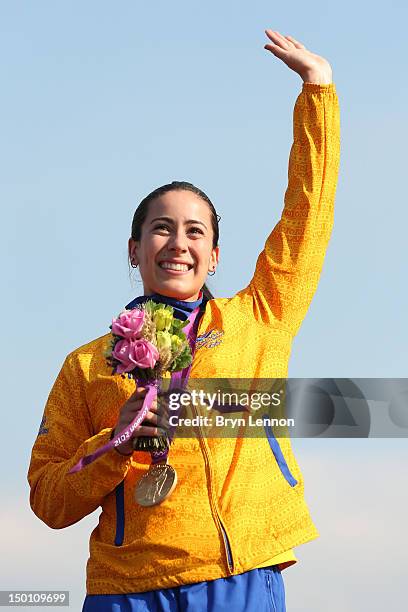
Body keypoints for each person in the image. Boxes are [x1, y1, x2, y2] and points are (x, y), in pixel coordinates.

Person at [28, 29, 340, 612]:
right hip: (127, 589)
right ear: (134, 249)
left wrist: (317, 94)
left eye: (196, 231)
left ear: (215, 256)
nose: (178, 242)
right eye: (162, 228)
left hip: (240, 573)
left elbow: (308, 218)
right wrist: (114, 442)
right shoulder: (88, 365)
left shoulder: (258, 320)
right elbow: (48, 500)